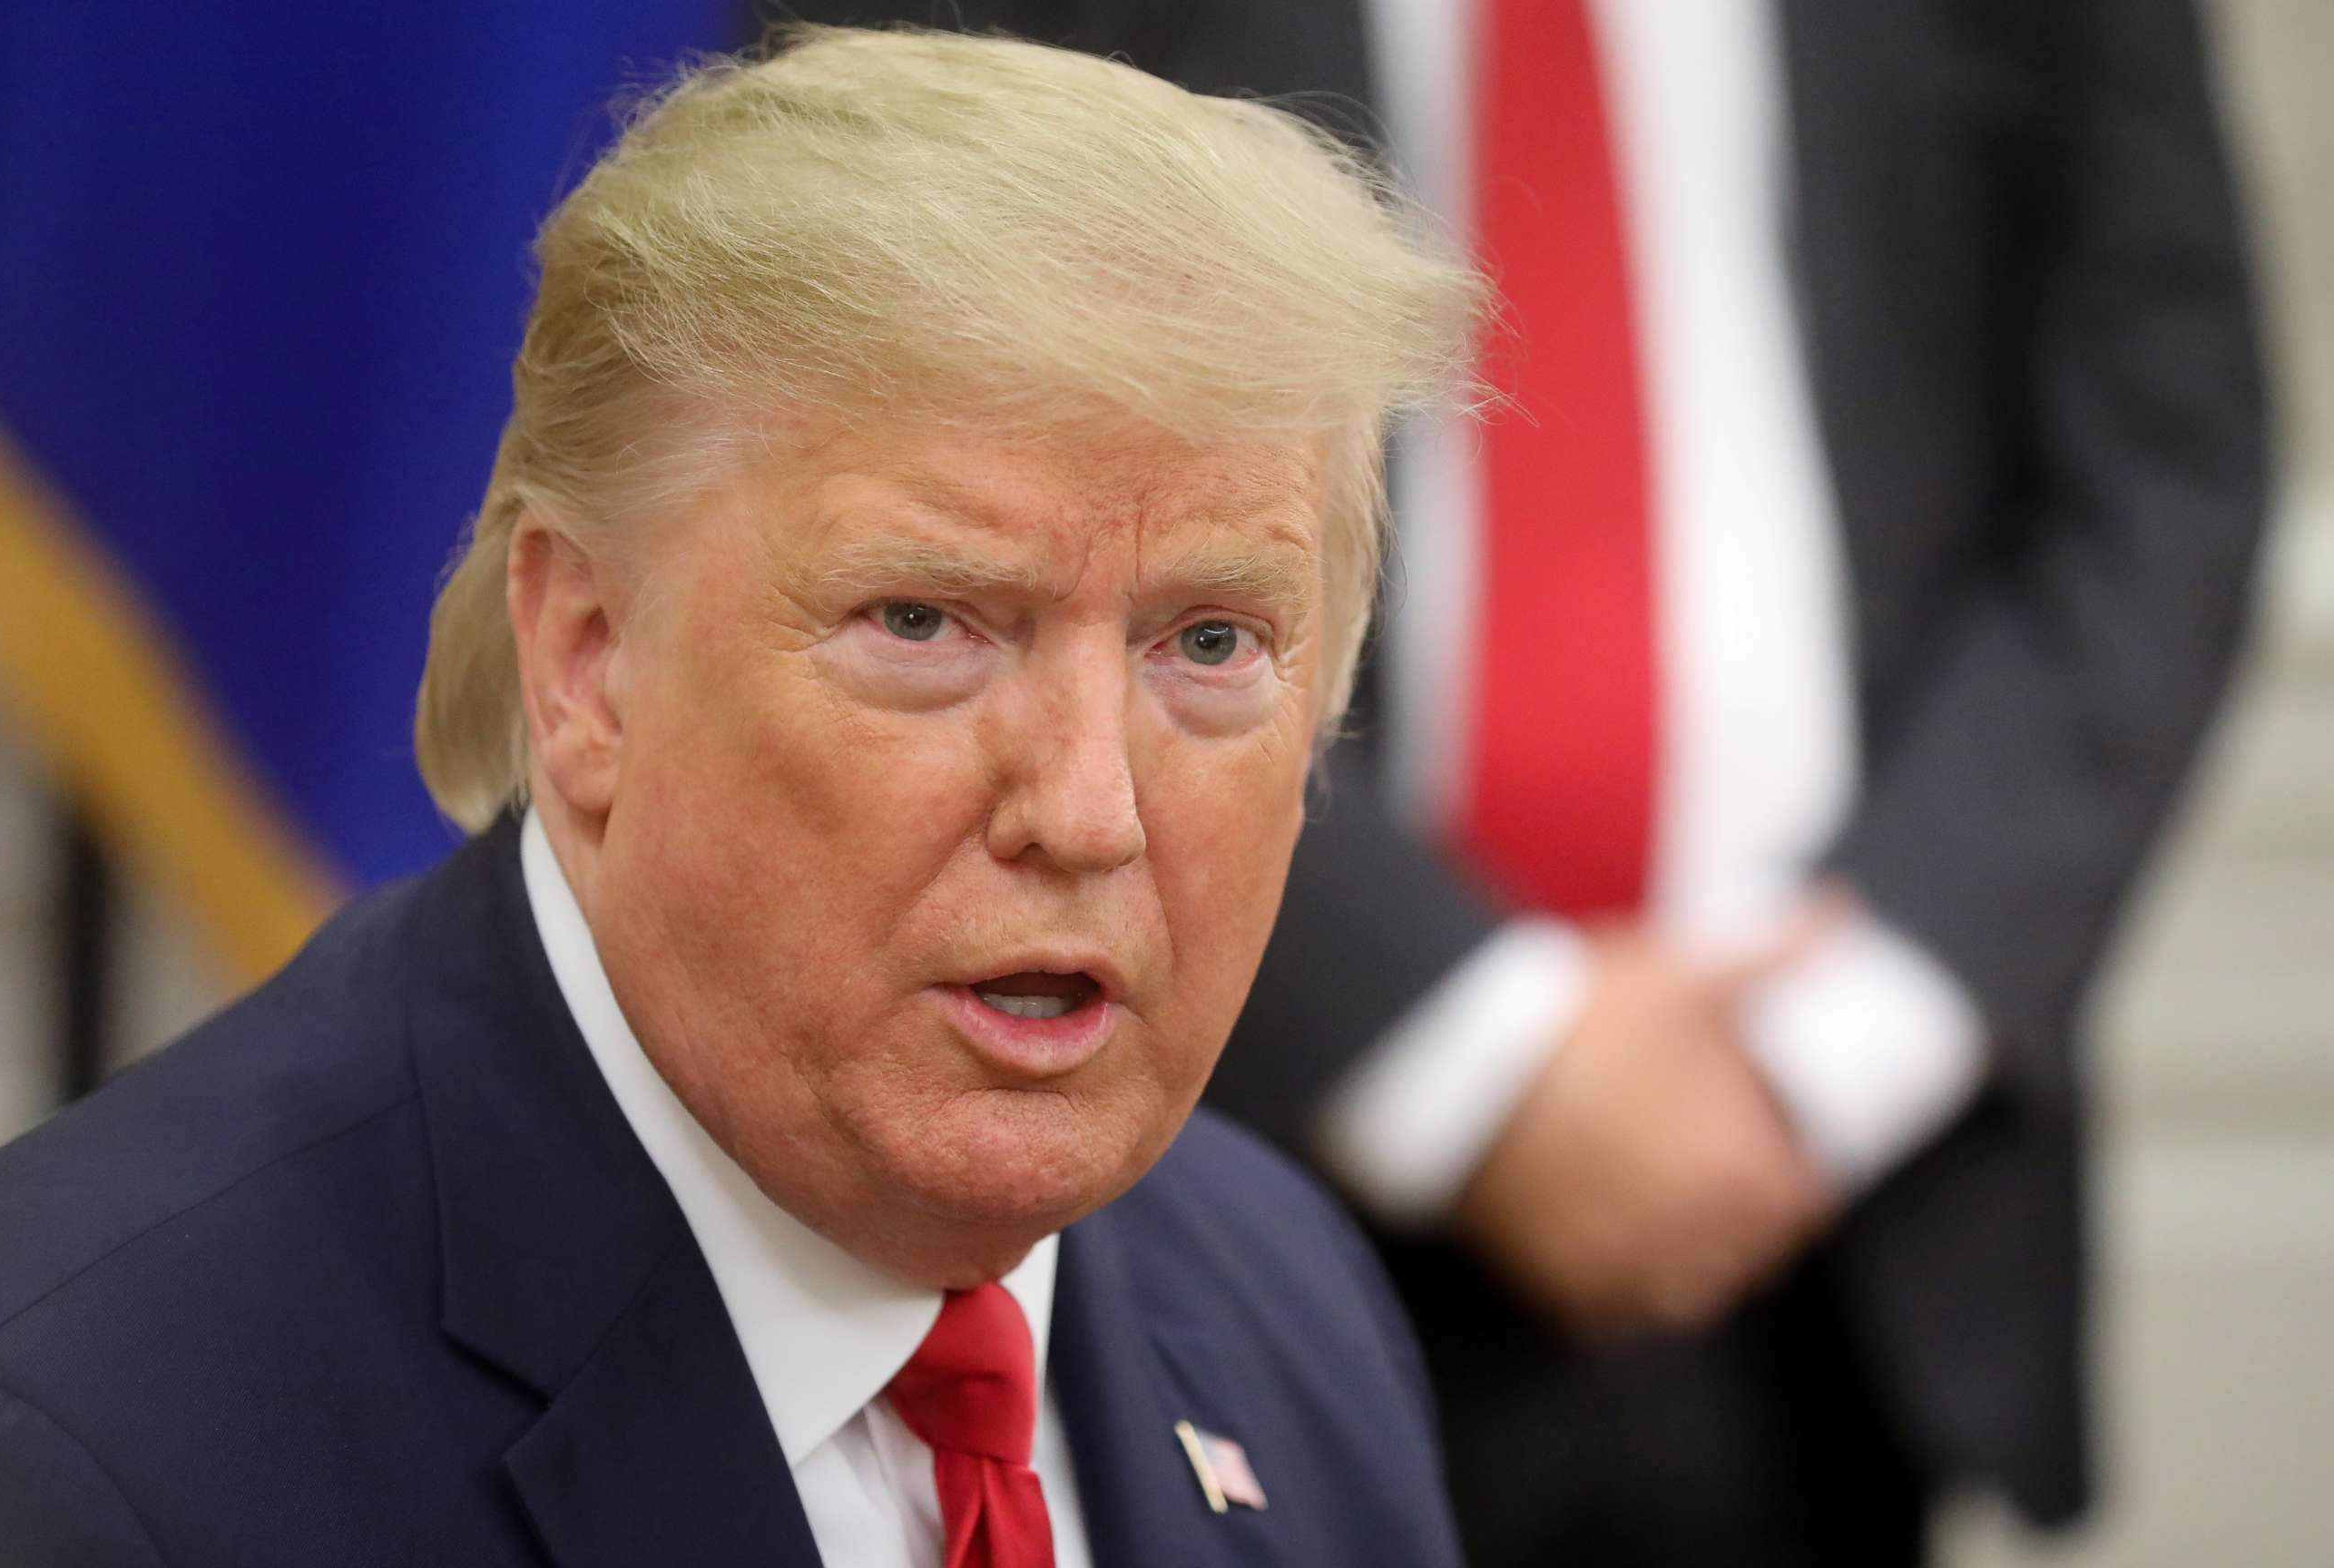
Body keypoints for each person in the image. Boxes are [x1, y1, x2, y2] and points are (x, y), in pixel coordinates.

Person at [0, 27, 1486, 1565]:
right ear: (589, 664)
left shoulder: (1279, 1297)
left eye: (1213, 641)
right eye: (925, 623)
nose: (1090, 810)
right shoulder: (81, 1456)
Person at [809, 1, 2271, 1563]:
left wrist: (1821, 1061)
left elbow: (2157, 456)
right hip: (1226, 1156)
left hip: (1835, 1225)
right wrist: (1472, 1049)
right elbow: (859, 409)